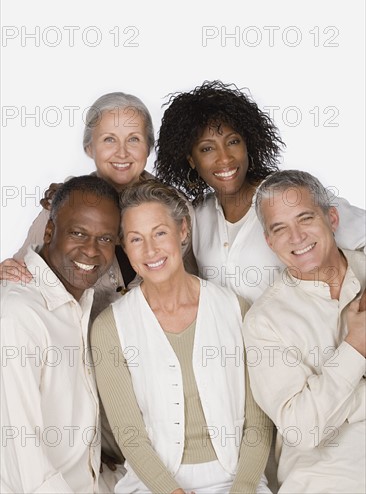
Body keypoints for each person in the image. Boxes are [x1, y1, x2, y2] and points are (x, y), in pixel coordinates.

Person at [91, 180, 273, 494]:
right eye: (136, 239)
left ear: (183, 230)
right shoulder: (110, 328)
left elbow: (258, 420)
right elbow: (129, 432)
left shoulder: (235, 309)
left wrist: (243, 487)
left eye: (160, 233)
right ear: (124, 246)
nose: (151, 250)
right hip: (153, 485)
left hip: (237, 480)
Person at [155, 80, 366, 304]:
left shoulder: (289, 196)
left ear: (248, 144)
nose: (225, 158)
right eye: (207, 148)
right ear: (191, 160)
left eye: (233, 141)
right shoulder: (197, 215)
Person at [243, 170, 366, 494]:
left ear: (332, 218)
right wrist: (355, 346)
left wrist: (336, 404)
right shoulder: (265, 321)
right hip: (327, 480)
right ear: (269, 241)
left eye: (305, 218)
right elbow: (302, 429)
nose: (296, 237)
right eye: (280, 228)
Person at [1, 176, 124, 493]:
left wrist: (94, 461)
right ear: (49, 231)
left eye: (105, 239)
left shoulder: (79, 303)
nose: (92, 251)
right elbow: (24, 465)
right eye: (79, 233)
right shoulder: (19, 316)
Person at [0, 91, 155, 319]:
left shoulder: (175, 209)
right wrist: (6, 272)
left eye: (133, 139)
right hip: (78, 346)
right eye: (109, 139)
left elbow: (192, 282)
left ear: (149, 147)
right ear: (89, 148)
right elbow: (23, 274)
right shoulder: (62, 204)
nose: (122, 152)